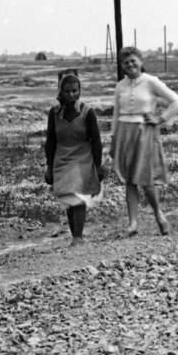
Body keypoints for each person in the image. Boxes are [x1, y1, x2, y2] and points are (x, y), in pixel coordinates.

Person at [110, 46, 178, 236]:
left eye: (133, 61)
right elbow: (116, 114)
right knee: (129, 180)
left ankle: (160, 216)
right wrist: (113, 139)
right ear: (122, 66)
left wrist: (160, 119)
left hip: (144, 132)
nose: (130, 65)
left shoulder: (151, 82)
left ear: (141, 61)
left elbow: (177, 101)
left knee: (146, 178)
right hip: (124, 133)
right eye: (126, 63)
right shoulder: (120, 86)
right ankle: (133, 224)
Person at [44, 70, 103, 246]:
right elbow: (50, 141)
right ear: (61, 91)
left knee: (77, 194)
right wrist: (48, 166)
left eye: (75, 91)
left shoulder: (88, 112)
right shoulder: (54, 114)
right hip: (61, 159)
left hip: (82, 158)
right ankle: (75, 235)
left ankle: (78, 236)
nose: (71, 95)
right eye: (67, 91)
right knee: (68, 198)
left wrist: (98, 165)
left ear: (79, 91)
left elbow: (96, 140)